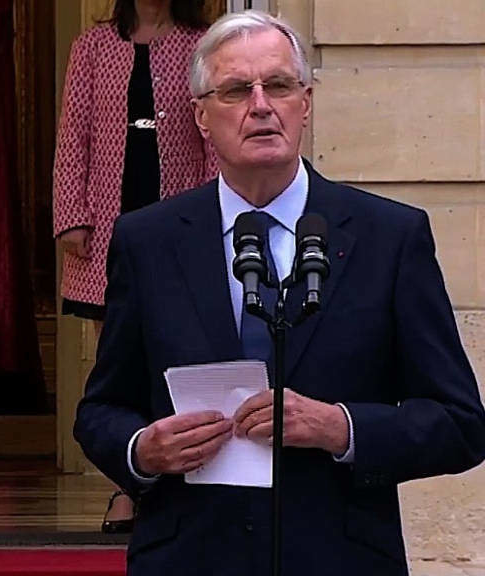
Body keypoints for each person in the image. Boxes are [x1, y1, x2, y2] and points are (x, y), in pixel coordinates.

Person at [74, 10, 485, 575]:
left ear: (305, 104)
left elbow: (460, 424)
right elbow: (100, 410)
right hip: (189, 554)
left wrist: (340, 428)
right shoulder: (149, 241)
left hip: (339, 556)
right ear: (200, 116)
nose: (261, 105)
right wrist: (142, 450)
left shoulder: (389, 237)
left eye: (280, 86)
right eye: (238, 90)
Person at [52, 0, 217, 532]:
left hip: (181, 224)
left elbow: (216, 137)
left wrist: (219, 211)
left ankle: (183, 485)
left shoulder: (202, 46)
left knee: (181, 355)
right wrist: (71, 215)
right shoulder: (93, 47)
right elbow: (72, 137)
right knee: (117, 366)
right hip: (108, 228)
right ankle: (126, 487)